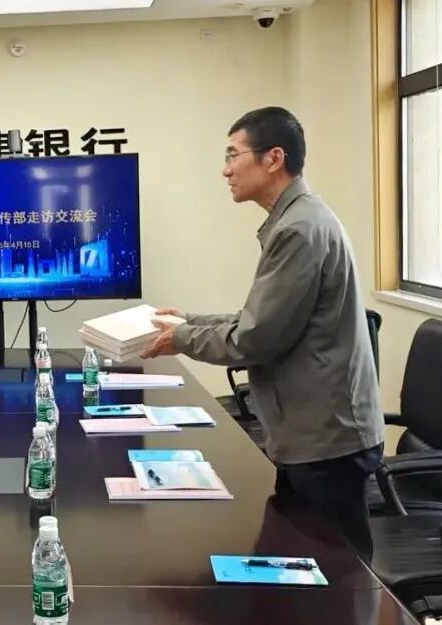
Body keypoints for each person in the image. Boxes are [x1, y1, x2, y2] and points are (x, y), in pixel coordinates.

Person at [142, 106, 384, 559]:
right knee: (300, 568)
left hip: (323, 438)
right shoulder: (297, 221)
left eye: (232, 155)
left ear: (274, 158)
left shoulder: (299, 230)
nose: (225, 170)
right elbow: (262, 318)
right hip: (311, 432)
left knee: (339, 578)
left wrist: (181, 338)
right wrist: (190, 321)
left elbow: (255, 338)